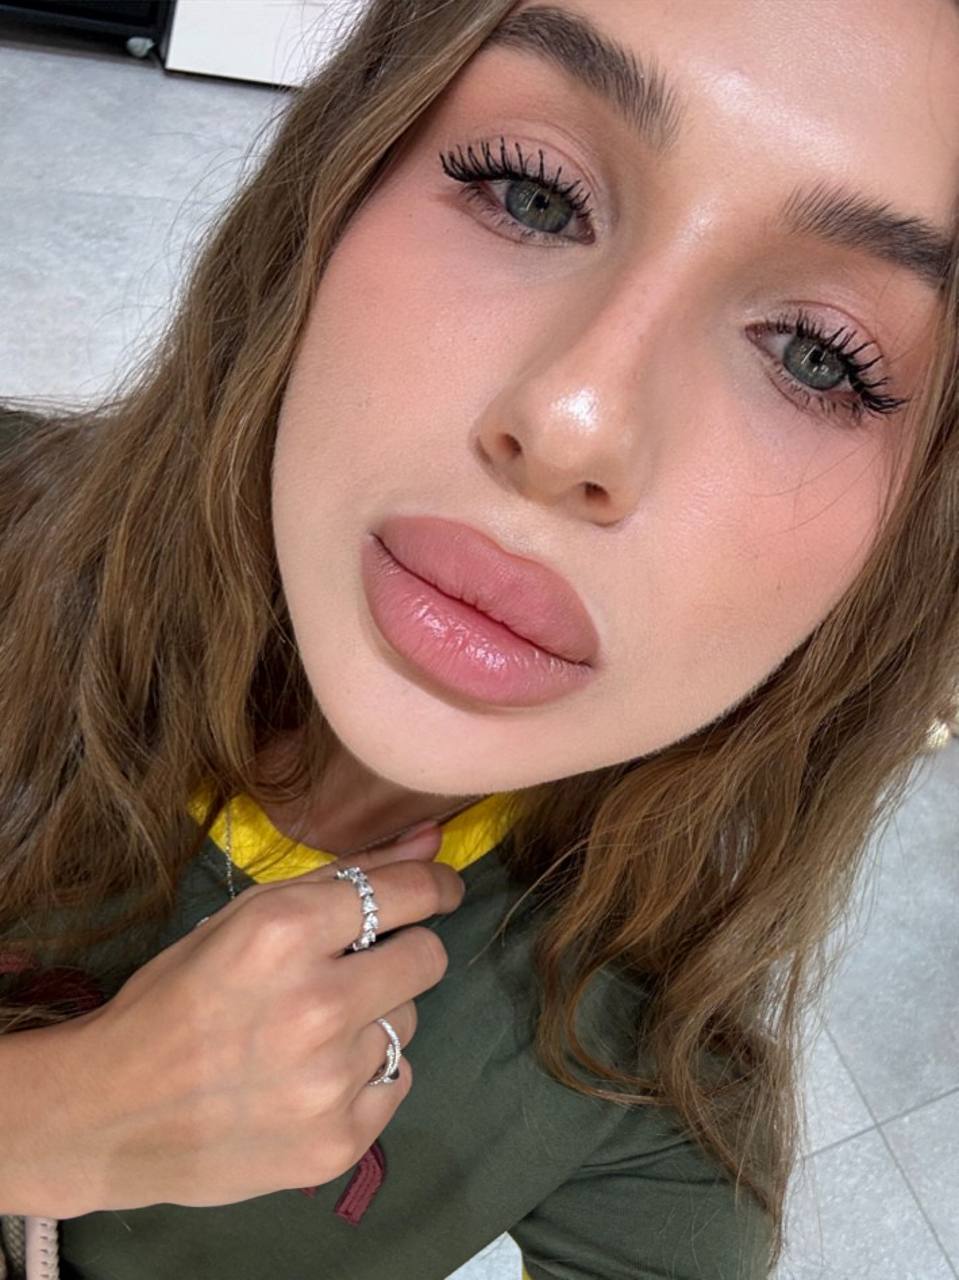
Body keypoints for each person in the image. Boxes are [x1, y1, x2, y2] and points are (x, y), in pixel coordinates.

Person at [1, 0, 957, 1275]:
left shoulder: (646, 1107)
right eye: (532, 193)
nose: (571, 420)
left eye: (816, 356)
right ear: (342, 175)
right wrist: (53, 1121)